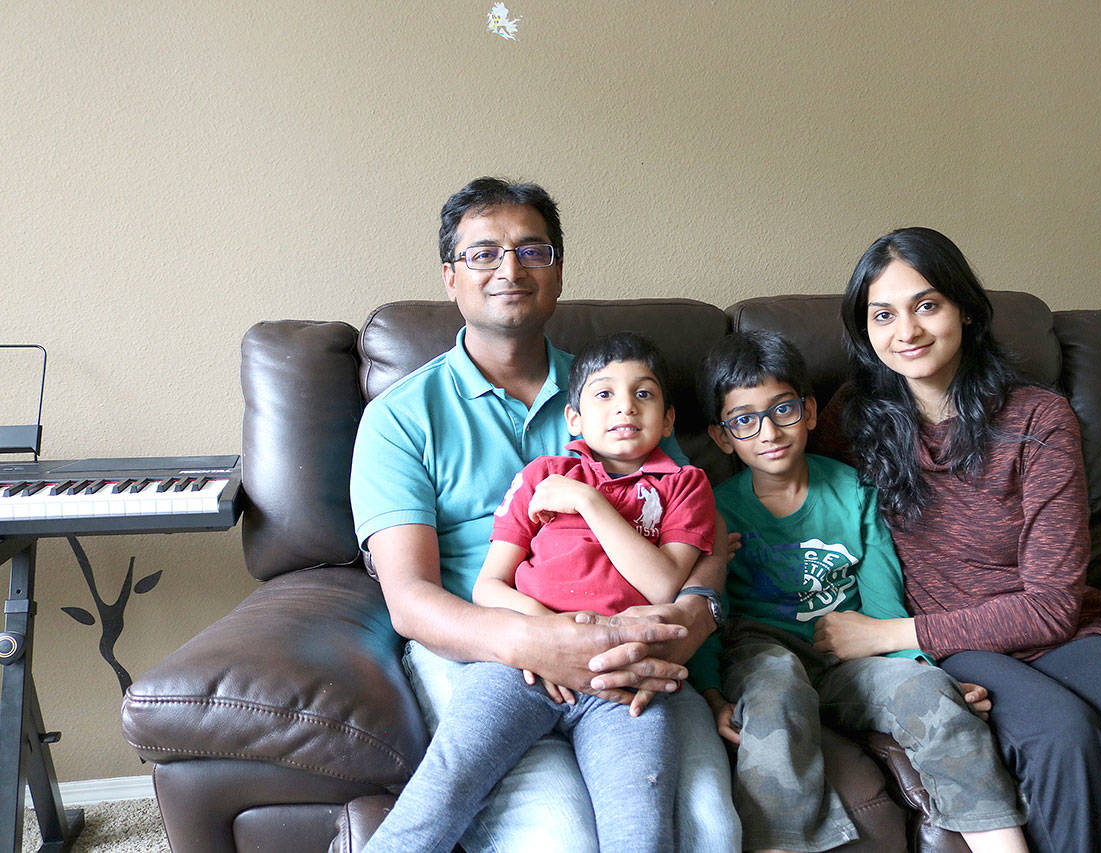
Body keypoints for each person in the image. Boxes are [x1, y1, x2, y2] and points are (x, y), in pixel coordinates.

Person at [350, 177, 739, 851]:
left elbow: (697, 535)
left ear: (557, 271)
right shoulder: (400, 418)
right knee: (560, 836)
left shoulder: (616, 393)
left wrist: (689, 625)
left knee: (707, 826)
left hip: (629, 641)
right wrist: (534, 639)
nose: (511, 269)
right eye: (483, 253)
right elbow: (410, 601)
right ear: (450, 276)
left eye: (533, 250)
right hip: (485, 652)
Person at [810, 226, 1101, 853]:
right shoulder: (852, 420)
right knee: (1059, 735)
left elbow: (1052, 607)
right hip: (960, 645)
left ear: (966, 310)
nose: (906, 331)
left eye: (926, 305)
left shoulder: (1038, 419)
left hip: (1060, 631)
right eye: (882, 315)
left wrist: (889, 636)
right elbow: (794, 512)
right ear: (865, 331)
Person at [365, 332, 716, 852]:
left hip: (624, 672)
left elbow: (667, 584)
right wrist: (546, 634)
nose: (625, 406)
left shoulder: (681, 483)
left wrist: (590, 503)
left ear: (668, 420)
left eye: (643, 394)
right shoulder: (544, 476)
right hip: (517, 663)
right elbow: (488, 586)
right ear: (573, 419)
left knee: (642, 822)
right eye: (604, 394)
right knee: (446, 784)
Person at [691, 330, 1027, 853]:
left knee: (934, 698)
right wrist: (711, 694)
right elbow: (706, 610)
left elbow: (883, 600)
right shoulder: (714, 508)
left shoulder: (856, 490)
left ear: (809, 411)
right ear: (721, 437)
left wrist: (923, 673)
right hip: (761, 653)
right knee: (778, 690)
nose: (768, 432)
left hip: (848, 656)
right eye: (744, 420)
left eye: (783, 409)